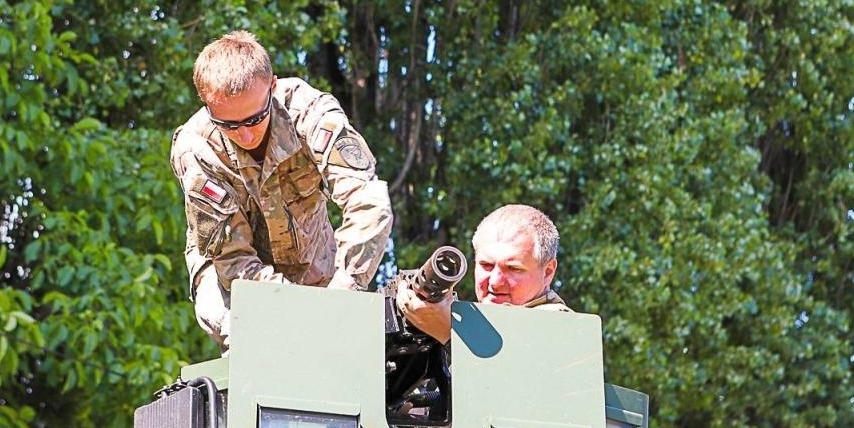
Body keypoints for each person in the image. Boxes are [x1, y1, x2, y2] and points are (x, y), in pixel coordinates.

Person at [171, 31, 393, 347]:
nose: (245, 136)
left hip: (315, 262)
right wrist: (293, 310)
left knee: (338, 342)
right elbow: (232, 258)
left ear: (272, 87)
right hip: (233, 276)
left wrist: (344, 291)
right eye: (229, 125)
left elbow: (368, 202)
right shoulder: (196, 148)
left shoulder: (311, 114)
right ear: (207, 106)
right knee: (244, 332)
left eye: (254, 119)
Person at [398, 203, 569, 344]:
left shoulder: (560, 329)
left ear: (548, 272)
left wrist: (448, 334)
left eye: (513, 268)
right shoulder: (482, 328)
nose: (495, 282)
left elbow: (508, 372)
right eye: (486, 265)